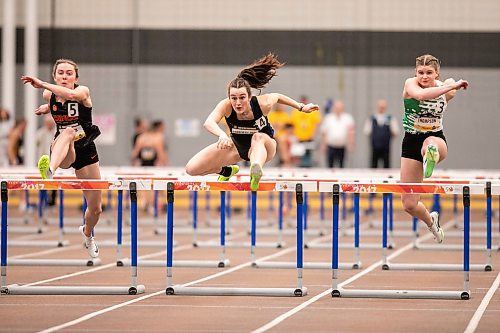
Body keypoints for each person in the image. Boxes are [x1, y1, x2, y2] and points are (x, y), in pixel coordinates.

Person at [185, 53, 319, 190]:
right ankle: (226, 171)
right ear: (229, 97)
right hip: (238, 148)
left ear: (249, 97)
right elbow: (209, 122)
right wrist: (222, 135)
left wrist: (301, 107)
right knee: (191, 169)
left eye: (242, 97)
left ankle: (256, 171)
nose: (237, 103)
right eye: (233, 98)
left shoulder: (262, 103)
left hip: (264, 147)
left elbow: (277, 96)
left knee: (258, 136)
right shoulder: (226, 105)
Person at [21, 58, 103, 258]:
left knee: (96, 209)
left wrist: (43, 94)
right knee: (66, 133)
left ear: (76, 77)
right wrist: (47, 107)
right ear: (54, 76)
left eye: (69, 73)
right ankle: (50, 170)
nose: (64, 76)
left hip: (85, 149)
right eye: (60, 73)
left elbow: (71, 95)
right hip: (63, 149)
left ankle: (87, 235)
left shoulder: (82, 91)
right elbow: (57, 99)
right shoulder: (49, 94)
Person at [401, 54, 468, 243]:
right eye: (420, 72)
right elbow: (421, 96)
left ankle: (430, 155)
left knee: (429, 143)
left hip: (436, 138)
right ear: (415, 72)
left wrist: (450, 84)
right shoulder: (410, 85)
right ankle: (432, 221)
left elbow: (450, 86)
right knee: (409, 204)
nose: (424, 76)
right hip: (411, 141)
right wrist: (452, 85)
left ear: (436, 73)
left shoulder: (446, 88)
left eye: (429, 73)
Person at [363, 99, 399, 168]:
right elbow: (367, 131)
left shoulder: (390, 118)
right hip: (375, 146)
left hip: (386, 146)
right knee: (374, 163)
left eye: (383, 107)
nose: (381, 108)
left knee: (386, 164)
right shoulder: (372, 118)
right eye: (380, 107)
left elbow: (395, 132)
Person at [319, 100, 355, 168]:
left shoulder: (347, 118)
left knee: (342, 165)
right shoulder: (328, 118)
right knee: (330, 165)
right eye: (336, 107)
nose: (338, 109)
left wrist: (350, 143)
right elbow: (324, 132)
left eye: (340, 108)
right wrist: (323, 145)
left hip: (342, 146)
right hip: (331, 146)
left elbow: (351, 132)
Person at [290, 95, 322, 167]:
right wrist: (294, 136)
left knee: (308, 157)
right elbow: (292, 125)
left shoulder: (313, 112)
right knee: (298, 158)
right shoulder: (295, 112)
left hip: (309, 138)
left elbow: (317, 124)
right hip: (299, 138)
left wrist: (314, 135)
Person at [36, 114, 57, 206]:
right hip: (43, 160)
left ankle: (52, 201)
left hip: (54, 161)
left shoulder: (57, 132)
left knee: (54, 182)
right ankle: (42, 201)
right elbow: (37, 144)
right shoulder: (40, 133)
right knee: (43, 182)